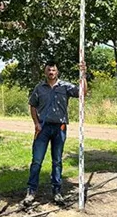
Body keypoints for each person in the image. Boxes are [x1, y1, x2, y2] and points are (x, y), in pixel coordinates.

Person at [24, 60, 87, 205]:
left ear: (57, 72)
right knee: (37, 161)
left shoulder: (65, 86)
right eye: (48, 70)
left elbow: (82, 92)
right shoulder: (39, 88)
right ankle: (31, 191)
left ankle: (57, 192)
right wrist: (36, 123)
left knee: (57, 161)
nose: (51, 72)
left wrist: (83, 75)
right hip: (43, 129)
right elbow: (32, 105)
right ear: (45, 72)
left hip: (60, 128)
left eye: (53, 70)